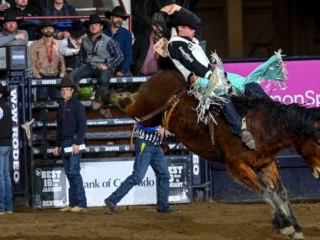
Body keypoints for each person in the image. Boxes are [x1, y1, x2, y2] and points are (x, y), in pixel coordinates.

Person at [166, 7, 256, 150]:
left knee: (248, 82)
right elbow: (192, 63)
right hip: (198, 80)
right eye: (191, 28)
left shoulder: (192, 40)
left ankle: (267, 113)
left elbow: (197, 22)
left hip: (213, 74)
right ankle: (239, 129)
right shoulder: (175, 44)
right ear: (180, 28)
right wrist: (214, 76)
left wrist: (181, 9)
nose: (194, 30)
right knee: (220, 92)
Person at [104, 124, 175, 214]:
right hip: (145, 144)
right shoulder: (147, 110)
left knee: (164, 175)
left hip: (155, 145)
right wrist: (157, 128)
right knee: (137, 176)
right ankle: (112, 200)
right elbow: (141, 122)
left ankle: (163, 206)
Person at [69, 13, 123, 110]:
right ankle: (73, 101)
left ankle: (98, 100)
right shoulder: (85, 40)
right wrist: (80, 66)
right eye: (91, 25)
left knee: (103, 78)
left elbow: (119, 56)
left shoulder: (109, 41)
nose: (93, 27)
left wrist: (107, 65)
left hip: (104, 67)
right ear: (88, 27)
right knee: (72, 76)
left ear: (101, 27)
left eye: (96, 24)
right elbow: (81, 56)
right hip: (89, 66)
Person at [53, 76, 87, 213]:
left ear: (72, 91)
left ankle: (81, 203)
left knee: (73, 172)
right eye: (63, 90)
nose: (64, 92)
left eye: (67, 89)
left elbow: (82, 125)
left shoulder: (77, 105)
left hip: (73, 141)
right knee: (69, 172)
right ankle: (74, 203)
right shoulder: (62, 106)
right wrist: (57, 145)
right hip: (65, 142)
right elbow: (59, 127)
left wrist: (78, 142)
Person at [29, 19, 65, 100]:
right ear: (42, 30)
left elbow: (63, 62)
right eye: (46, 28)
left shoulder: (60, 43)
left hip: (56, 76)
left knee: (58, 100)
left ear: (53, 29)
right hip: (41, 77)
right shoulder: (34, 45)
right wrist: (38, 77)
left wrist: (62, 75)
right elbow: (32, 63)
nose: (49, 30)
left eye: (51, 28)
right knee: (42, 102)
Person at [0, 82, 13, 215]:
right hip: (6, 144)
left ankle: (0, 207)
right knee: (5, 175)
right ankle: (8, 206)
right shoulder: (5, 106)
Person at [104, 6, 132, 77]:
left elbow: (128, 55)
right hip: (106, 68)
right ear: (111, 17)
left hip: (121, 68)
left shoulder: (126, 34)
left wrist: (122, 71)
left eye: (121, 17)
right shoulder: (103, 33)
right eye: (117, 16)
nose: (119, 19)